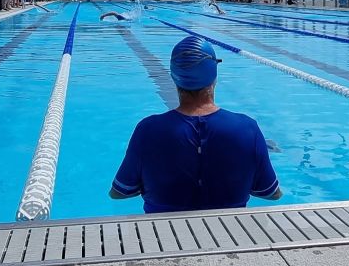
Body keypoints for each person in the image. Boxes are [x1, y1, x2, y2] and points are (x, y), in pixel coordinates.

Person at [110, 36, 282, 213]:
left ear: (174, 78)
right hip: (231, 235)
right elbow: (272, 193)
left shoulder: (148, 130)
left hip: (163, 237)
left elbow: (119, 192)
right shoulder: (247, 129)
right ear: (214, 76)